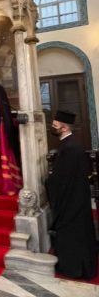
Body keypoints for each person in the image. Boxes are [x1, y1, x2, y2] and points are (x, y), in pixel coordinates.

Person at [46, 110, 97, 279]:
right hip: (75, 196)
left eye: (55, 125)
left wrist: (49, 183)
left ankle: (74, 268)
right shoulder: (70, 143)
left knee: (73, 234)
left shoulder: (70, 147)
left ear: (64, 127)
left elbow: (63, 178)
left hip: (72, 199)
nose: (52, 127)